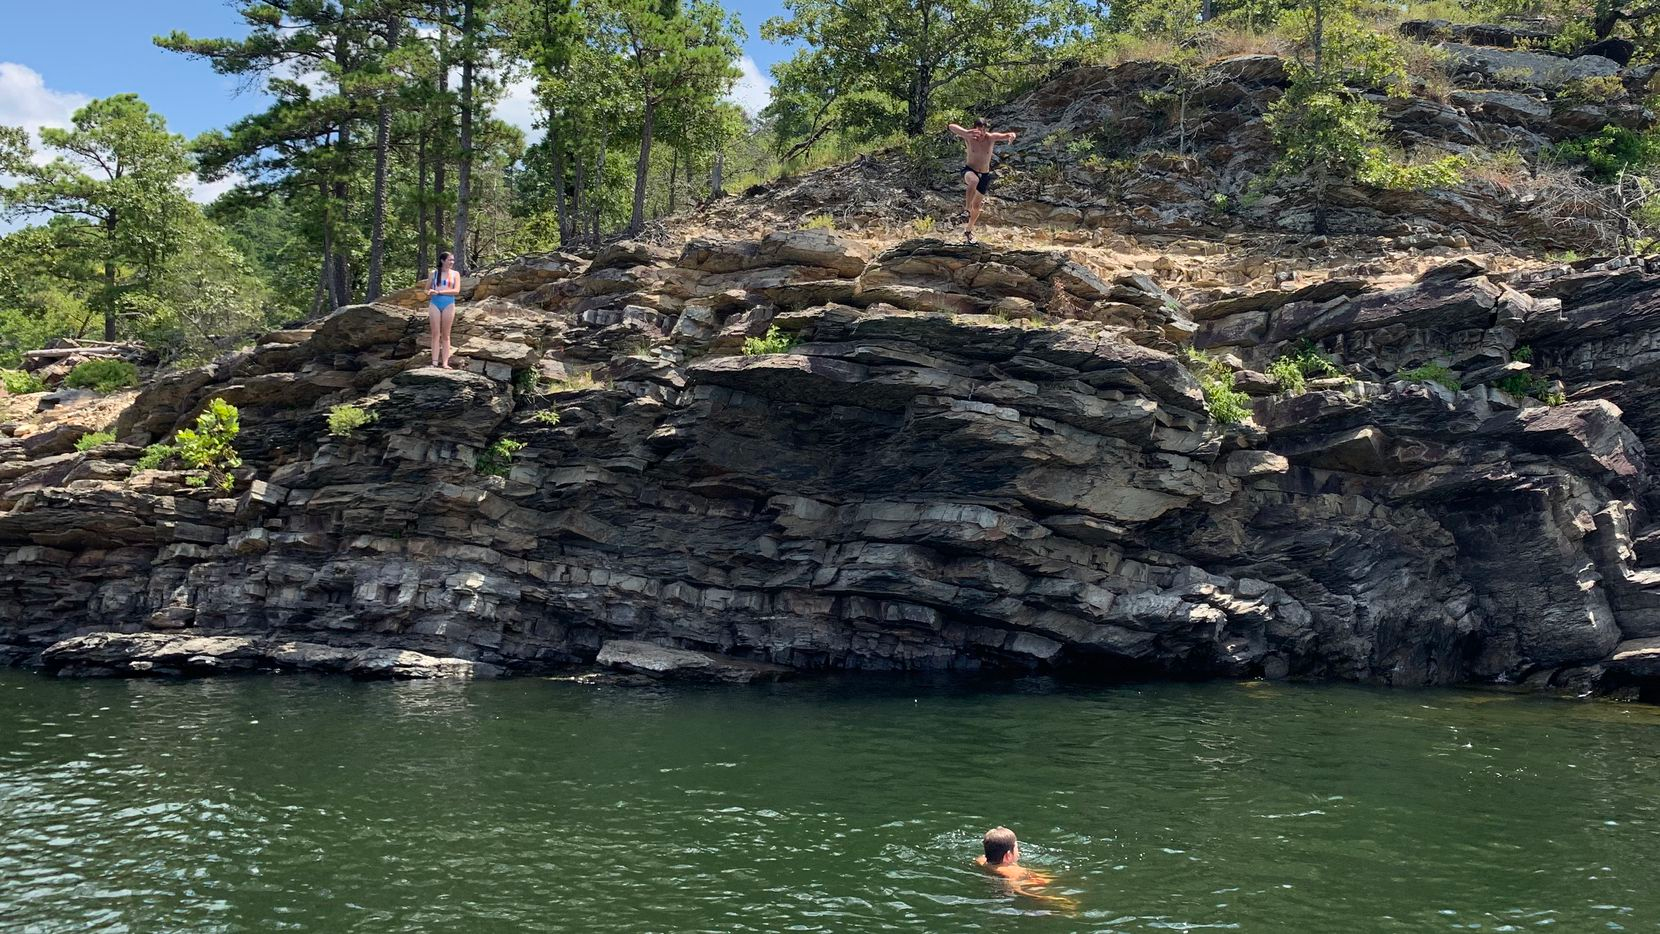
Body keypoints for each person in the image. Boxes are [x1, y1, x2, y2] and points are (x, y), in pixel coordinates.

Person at [947, 118, 1018, 243]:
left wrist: (1011, 135)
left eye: (984, 130)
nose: (982, 133)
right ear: (975, 128)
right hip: (969, 170)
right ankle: (966, 210)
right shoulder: (969, 137)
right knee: (973, 181)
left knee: (977, 207)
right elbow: (951, 126)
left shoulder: (990, 138)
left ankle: (968, 231)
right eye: (979, 130)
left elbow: (1006, 135)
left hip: (984, 175)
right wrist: (966, 132)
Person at [975, 826, 1076, 910]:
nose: (1019, 851)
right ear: (1008, 856)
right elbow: (1018, 889)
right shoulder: (1015, 872)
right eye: (1016, 847)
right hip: (1021, 881)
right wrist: (1053, 899)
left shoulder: (982, 861)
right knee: (1045, 880)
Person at [425, 251, 461, 368]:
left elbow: (456, 291)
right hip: (435, 303)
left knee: (446, 335)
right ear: (442, 261)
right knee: (435, 334)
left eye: (452, 260)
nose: (452, 262)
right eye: (449, 260)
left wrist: (440, 292)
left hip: (449, 303)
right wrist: (429, 292)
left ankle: (445, 363)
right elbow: (426, 289)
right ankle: (434, 362)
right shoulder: (434, 273)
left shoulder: (455, 274)